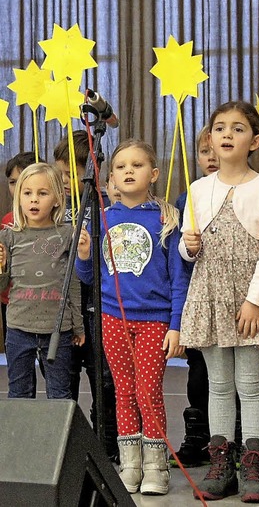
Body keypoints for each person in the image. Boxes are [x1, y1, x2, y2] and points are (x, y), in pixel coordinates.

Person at [180, 101, 259, 503]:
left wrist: (254, 301)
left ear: (255, 141)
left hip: (248, 299)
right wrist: (187, 247)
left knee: (249, 384)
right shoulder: (198, 188)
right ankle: (220, 462)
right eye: (220, 128)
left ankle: (253, 464)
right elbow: (188, 249)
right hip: (210, 293)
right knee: (219, 385)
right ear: (209, 138)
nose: (227, 134)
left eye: (238, 128)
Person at [76, 139, 190, 496]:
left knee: (148, 390)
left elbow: (177, 278)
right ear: (110, 177)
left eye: (136, 165)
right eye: (121, 166)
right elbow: (90, 278)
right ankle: (131, 465)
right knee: (123, 391)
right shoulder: (104, 219)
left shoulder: (165, 218)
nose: (128, 171)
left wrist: (175, 325)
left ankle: (157, 466)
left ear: (153, 174)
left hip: (154, 320)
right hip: (113, 318)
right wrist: (83, 256)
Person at [54, 130, 119, 462]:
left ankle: (105, 449)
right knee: (63, 385)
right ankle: (67, 452)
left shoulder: (107, 207)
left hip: (96, 310)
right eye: (60, 172)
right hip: (62, 311)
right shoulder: (53, 207)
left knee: (104, 383)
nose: (64, 181)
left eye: (71, 174)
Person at [0, 163, 84, 398]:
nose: (34, 200)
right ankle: (20, 436)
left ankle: (59, 436)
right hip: (18, 328)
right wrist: (2, 267)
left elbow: (73, 284)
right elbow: (2, 287)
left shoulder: (68, 235)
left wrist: (77, 325)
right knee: (19, 392)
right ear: (19, 198)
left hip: (58, 329)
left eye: (42, 193)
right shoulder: (7, 236)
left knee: (59, 393)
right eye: (27, 193)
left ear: (57, 198)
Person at [170, 125, 222, 468]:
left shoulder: (251, 189)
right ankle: (197, 438)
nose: (212, 158)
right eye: (205, 153)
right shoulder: (187, 198)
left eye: (217, 151)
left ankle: (228, 442)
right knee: (199, 372)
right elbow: (180, 258)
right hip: (198, 300)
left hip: (233, 298)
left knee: (229, 376)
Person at [2, 151, 37, 345]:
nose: (17, 187)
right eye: (12, 182)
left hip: (42, 301)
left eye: (23, 180)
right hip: (11, 301)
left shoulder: (52, 222)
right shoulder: (7, 221)